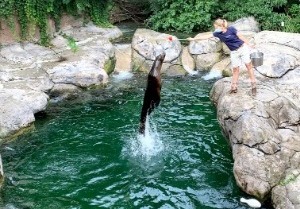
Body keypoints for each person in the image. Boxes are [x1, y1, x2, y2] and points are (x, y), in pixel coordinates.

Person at [187, 18, 257, 95]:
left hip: (243, 49)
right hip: (234, 52)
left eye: (215, 27)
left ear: (221, 26)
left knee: (249, 66)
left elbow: (241, 37)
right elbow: (206, 36)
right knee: (235, 69)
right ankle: (234, 87)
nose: (215, 29)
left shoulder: (231, 29)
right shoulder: (217, 33)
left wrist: (249, 44)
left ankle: (253, 86)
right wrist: (194, 39)